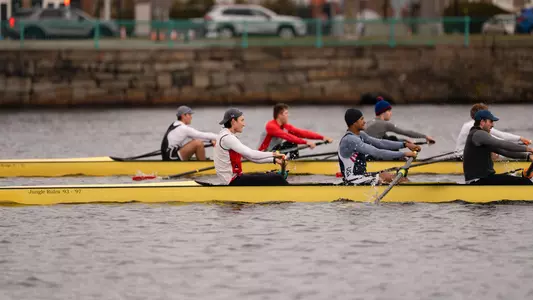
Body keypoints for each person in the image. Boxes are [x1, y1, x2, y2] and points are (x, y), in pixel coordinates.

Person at [338, 108, 419, 185]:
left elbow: (380, 143)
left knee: (394, 177)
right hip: (352, 179)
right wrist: (404, 154)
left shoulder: (360, 135)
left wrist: (405, 144)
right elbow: (377, 152)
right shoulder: (350, 139)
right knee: (395, 178)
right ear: (354, 123)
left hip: (361, 176)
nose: (364, 121)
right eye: (362, 119)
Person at [215, 108, 288, 186]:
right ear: (233, 121)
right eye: (242, 120)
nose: (244, 124)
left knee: (273, 175)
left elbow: (252, 158)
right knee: (277, 178)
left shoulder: (227, 136)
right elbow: (251, 154)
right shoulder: (227, 138)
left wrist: (274, 160)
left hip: (236, 178)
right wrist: (274, 154)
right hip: (232, 181)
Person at [463, 110, 533, 185]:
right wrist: (528, 149)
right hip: (478, 181)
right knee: (525, 182)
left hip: (483, 179)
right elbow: (501, 144)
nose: (493, 125)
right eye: (491, 121)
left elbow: (504, 151)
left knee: (522, 178)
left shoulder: (480, 135)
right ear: (482, 122)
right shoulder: (478, 134)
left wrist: (527, 156)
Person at [257, 103, 333, 158]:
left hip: (274, 152)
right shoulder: (271, 126)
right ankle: (293, 162)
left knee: (292, 143)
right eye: (286, 113)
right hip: (263, 154)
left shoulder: (285, 126)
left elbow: (303, 133)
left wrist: (322, 137)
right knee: (291, 142)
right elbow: (287, 136)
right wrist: (306, 142)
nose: (288, 116)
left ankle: (294, 161)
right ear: (279, 115)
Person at [455, 103, 531, 155]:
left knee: (495, 150)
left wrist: (520, 138)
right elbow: (497, 141)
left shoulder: (480, 125)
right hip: (462, 155)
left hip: (473, 152)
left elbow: (501, 135)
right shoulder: (471, 126)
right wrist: (522, 147)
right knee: (494, 151)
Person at [365, 97, 436, 144]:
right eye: (389, 111)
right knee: (392, 139)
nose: (391, 113)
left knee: (391, 138)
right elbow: (405, 132)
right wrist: (425, 136)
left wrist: (404, 141)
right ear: (383, 112)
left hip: (362, 153)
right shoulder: (384, 124)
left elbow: (385, 140)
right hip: (371, 155)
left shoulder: (370, 122)